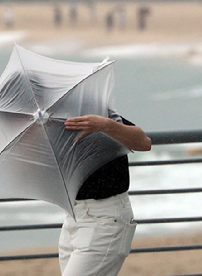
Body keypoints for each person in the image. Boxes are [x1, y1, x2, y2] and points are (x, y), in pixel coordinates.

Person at [61, 113, 151, 276]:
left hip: (106, 218)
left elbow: (144, 143)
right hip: (72, 217)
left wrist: (105, 125)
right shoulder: (50, 120)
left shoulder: (97, 110)